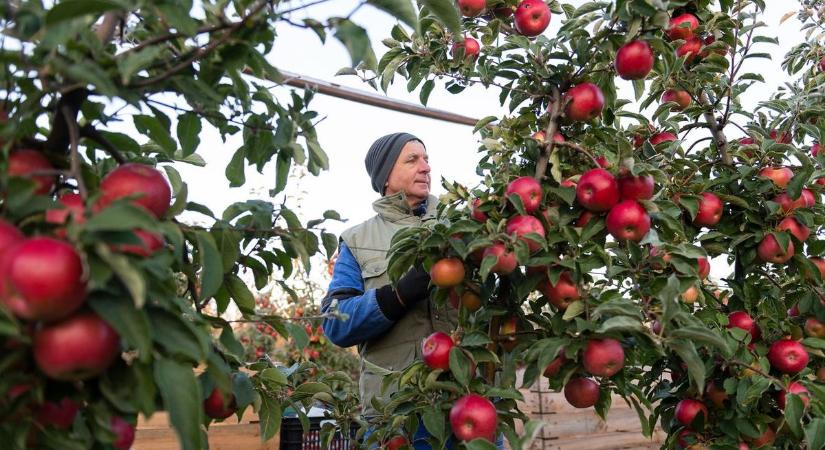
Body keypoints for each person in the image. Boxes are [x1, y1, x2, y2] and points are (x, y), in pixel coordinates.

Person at [321, 132, 458, 448]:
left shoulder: (458, 223)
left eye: (426, 159)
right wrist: (397, 295)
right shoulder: (356, 241)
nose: (425, 167)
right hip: (399, 416)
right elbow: (335, 322)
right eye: (412, 160)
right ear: (384, 176)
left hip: (469, 398)